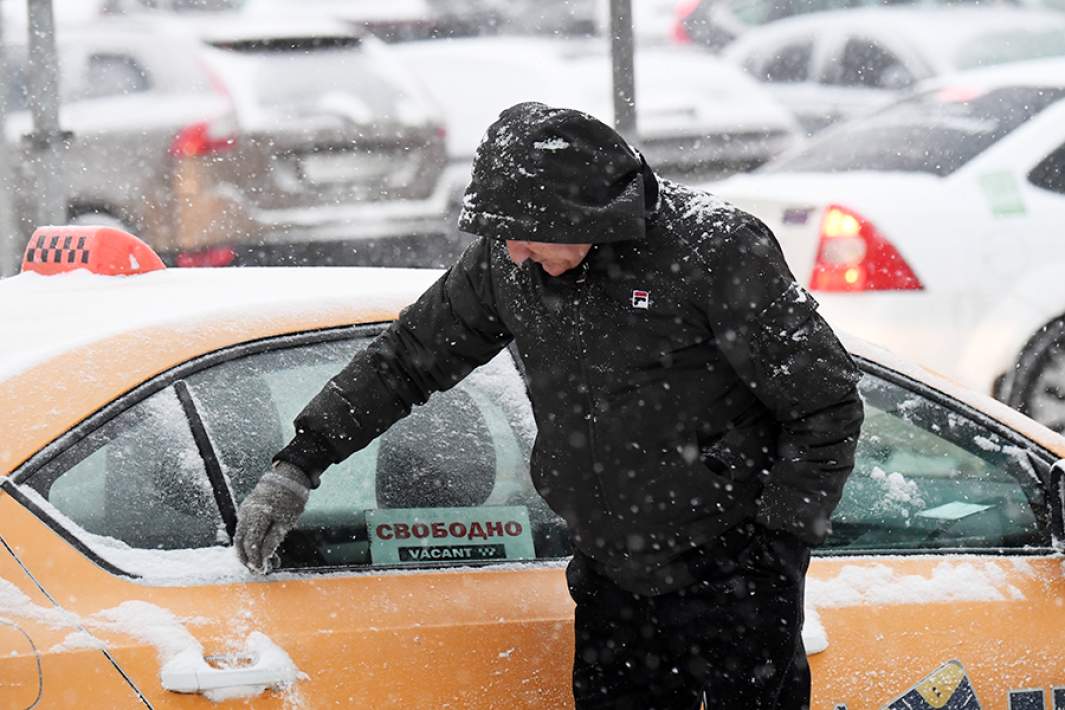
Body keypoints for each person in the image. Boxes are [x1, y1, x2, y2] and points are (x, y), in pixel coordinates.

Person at [234, 102, 864, 709]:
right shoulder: (510, 263)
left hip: (733, 568)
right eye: (501, 235)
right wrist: (301, 461)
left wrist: (775, 548)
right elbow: (406, 359)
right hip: (613, 574)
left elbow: (826, 404)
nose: (511, 252)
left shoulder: (714, 251)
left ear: (586, 215)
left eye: (524, 235)